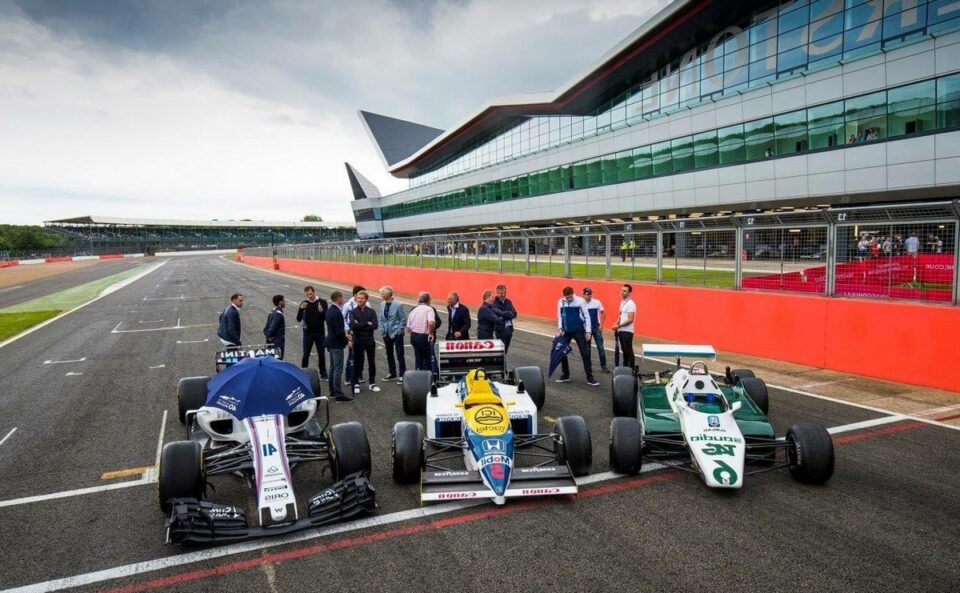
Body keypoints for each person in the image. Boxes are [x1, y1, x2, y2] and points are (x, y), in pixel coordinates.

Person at [556, 286, 598, 387]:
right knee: (562, 352)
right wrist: (560, 329)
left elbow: (587, 316)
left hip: (579, 331)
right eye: (567, 297)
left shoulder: (580, 301)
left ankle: (590, 377)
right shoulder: (560, 302)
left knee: (585, 353)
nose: (569, 299)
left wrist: (588, 331)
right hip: (566, 332)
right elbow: (559, 317)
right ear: (564, 296)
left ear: (573, 294)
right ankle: (565, 374)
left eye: (570, 297)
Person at [348, 290, 379, 394]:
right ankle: (356, 383)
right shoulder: (352, 312)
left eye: (362, 298)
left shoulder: (372, 311)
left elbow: (375, 325)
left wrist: (360, 324)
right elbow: (353, 326)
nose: (359, 300)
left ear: (366, 299)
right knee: (357, 362)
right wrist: (367, 323)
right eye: (358, 298)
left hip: (369, 340)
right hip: (357, 341)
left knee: (372, 362)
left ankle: (372, 383)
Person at [296, 286, 328, 378]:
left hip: (320, 333)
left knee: (321, 354)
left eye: (310, 294)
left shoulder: (322, 302)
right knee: (305, 355)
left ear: (314, 292)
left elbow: (325, 318)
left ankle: (323, 372)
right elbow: (298, 319)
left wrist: (321, 311)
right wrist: (301, 309)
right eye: (307, 295)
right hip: (308, 333)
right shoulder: (304, 303)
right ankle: (303, 372)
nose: (309, 296)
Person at [325, 291, 351, 401]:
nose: (343, 299)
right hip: (336, 344)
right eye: (342, 297)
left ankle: (332, 391)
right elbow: (339, 331)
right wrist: (347, 341)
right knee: (338, 369)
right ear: (339, 298)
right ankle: (338, 394)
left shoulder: (330, 310)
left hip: (331, 342)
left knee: (332, 368)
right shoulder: (336, 312)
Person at [378, 286, 407, 381]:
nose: (381, 295)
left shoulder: (398, 305)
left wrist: (399, 331)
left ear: (388, 294)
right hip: (386, 333)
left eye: (382, 293)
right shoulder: (382, 304)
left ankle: (402, 374)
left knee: (400, 354)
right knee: (389, 354)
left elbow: (403, 319)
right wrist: (382, 329)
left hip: (397, 333)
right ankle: (392, 373)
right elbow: (381, 318)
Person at [406, 292, 436, 371]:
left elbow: (408, 327)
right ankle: (430, 378)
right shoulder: (429, 309)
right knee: (428, 358)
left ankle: (418, 375)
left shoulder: (414, 309)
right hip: (424, 337)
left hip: (414, 336)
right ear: (428, 300)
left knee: (418, 358)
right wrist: (430, 333)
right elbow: (431, 323)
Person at [581, 287, 608, 373]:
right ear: (584, 294)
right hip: (586, 329)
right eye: (587, 294)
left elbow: (603, 312)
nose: (589, 296)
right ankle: (588, 366)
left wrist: (602, 325)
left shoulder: (596, 302)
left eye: (590, 294)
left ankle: (604, 366)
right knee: (587, 349)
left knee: (601, 347)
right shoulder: (580, 304)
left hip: (596, 327)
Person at [342, 285, 364, 386]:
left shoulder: (366, 303)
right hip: (352, 334)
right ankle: (348, 377)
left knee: (361, 356)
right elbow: (343, 319)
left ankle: (359, 375)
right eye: (361, 293)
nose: (363, 296)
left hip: (363, 334)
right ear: (355, 294)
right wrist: (348, 330)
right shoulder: (348, 305)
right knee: (352, 356)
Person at [612, 284, 637, 370]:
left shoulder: (631, 304)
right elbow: (621, 315)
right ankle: (626, 367)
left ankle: (631, 369)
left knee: (628, 351)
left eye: (624, 291)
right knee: (624, 351)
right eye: (621, 290)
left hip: (627, 331)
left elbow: (630, 319)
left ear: (629, 293)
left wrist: (618, 326)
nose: (622, 292)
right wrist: (617, 322)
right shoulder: (622, 302)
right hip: (621, 330)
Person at [492, 284, 517, 355]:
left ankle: (503, 362)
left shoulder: (508, 301)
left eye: (504, 293)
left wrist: (504, 315)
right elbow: (496, 312)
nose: (503, 295)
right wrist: (508, 313)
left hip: (509, 329)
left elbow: (514, 313)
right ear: (497, 292)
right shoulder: (494, 302)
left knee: (505, 351)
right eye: (501, 293)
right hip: (500, 329)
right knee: (500, 350)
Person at [263, 295, 286, 360]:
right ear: (280, 302)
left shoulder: (272, 311)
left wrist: (267, 337)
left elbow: (266, 328)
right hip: (277, 341)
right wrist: (269, 336)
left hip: (271, 341)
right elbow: (272, 327)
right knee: (277, 360)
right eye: (283, 300)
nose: (285, 302)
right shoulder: (278, 314)